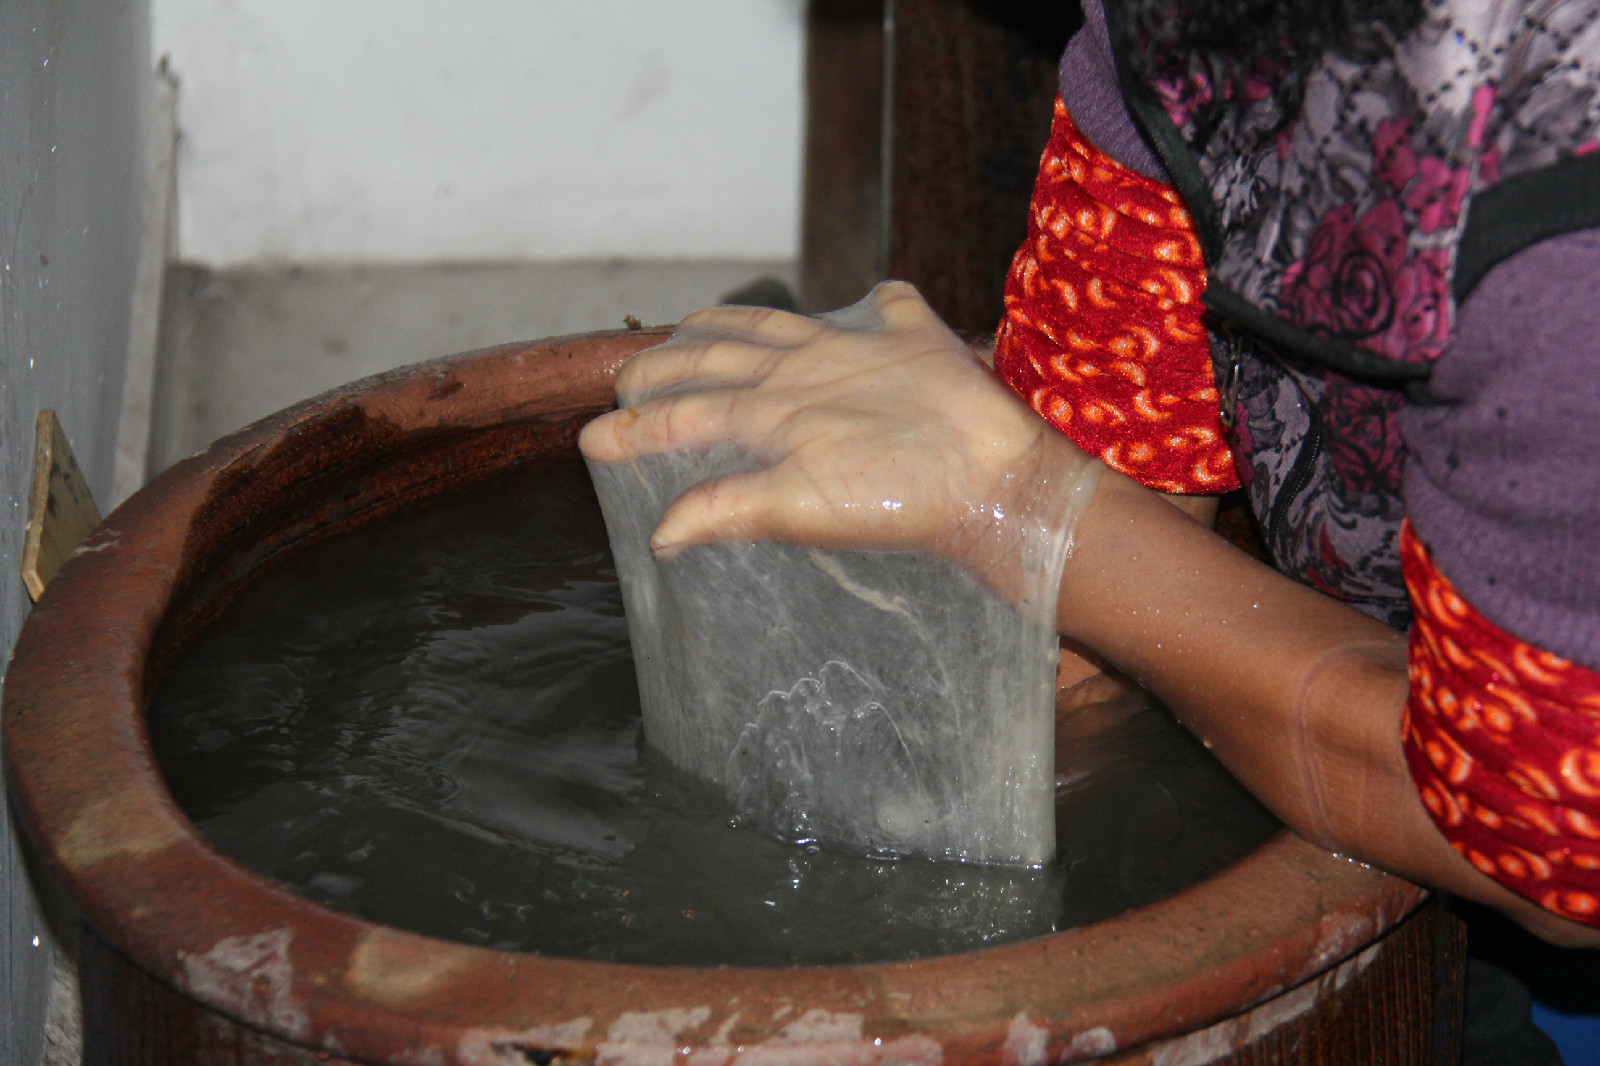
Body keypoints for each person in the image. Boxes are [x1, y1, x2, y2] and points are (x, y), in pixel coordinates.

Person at [580, 0, 1600, 956]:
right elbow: (1117, 465)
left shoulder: (1560, 212)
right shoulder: (1191, 26)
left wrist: (1019, 503)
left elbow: (1544, 849)